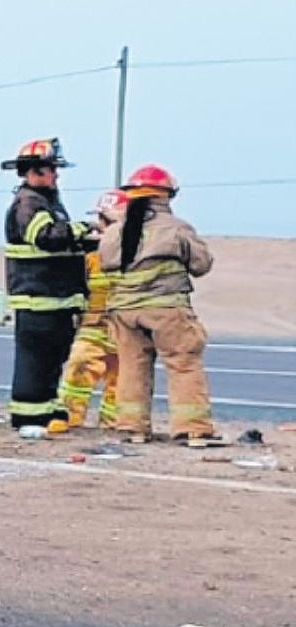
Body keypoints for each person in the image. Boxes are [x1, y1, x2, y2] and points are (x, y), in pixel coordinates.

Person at [99, 164, 219, 447]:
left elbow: (105, 262)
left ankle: (132, 428)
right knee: (183, 364)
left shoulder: (116, 231)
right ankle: (193, 429)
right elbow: (201, 265)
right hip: (167, 310)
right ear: (166, 195)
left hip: (125, 311)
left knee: (132, 368)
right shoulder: (176, 228)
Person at [0, 138, 92, 439]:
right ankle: (28, 418)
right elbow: (45, 237)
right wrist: (80, 229)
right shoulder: (29, 202)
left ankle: (47, 411)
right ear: (35, 171)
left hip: (56, 299)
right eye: (52, 169)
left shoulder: (48, 201)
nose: (56, 175)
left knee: (52, 359)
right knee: (36, 361)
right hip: (38, 299)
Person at [54, 190, 125, 432]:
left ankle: (114, 425)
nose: (101, 225)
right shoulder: (90, 254)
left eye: (106, 220)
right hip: (93, 326)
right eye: (101, 220)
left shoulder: (139, 253)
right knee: (78, 372)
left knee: (123, 383)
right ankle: (69, 418)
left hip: (127, 330)